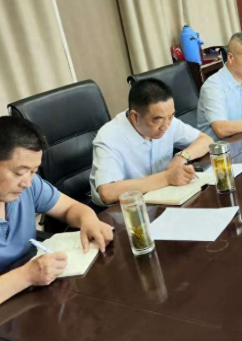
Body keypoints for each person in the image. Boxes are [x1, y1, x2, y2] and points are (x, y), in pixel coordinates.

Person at [0, 117, 113, 304]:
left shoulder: (29, 186)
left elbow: (70, 208)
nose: (27, 183)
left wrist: (89, 220)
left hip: (33, 295)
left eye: (33, 171)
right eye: (19, 172)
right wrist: (26, 275)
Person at [90, 79, 213, 206]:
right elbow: (107, 192)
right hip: (123, 209)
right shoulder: (109, 137)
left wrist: (182, 157)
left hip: (161, 197)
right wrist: (167, 177)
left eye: (171, 116)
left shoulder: (166, 118)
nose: (165, 126)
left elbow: (206, 140)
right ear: (134, 116)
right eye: (157, 120)